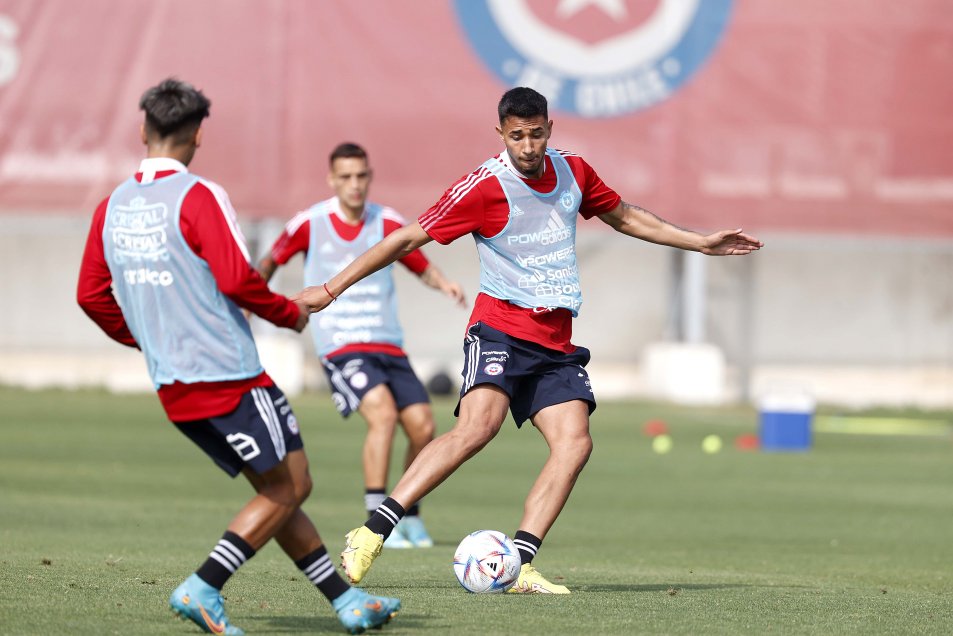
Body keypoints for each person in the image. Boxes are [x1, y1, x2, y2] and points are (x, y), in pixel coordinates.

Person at [294, 87, 764, 595]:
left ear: (549, 129)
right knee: (479, 428)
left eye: (536, 134)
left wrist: (700, 242)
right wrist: (330, 288)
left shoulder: (574, 172)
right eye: (516, 136)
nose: (527, 146)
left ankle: (517, 564)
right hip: (499, 329)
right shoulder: (483, 187)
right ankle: (372, 531)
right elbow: (406, 238)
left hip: (555, 341)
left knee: (575, 443)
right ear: (501, 134)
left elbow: (624, 216)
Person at [76, 78, 400, 635]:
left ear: (142, 130)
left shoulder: (113, 206)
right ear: (198, 135)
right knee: (290, 487)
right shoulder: (198, 196)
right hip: (229, 376)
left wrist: (144, 339)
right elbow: (236, 278)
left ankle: (347, 601)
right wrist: (288, 314)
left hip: (173, 385)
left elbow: (90, 294)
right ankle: (202, 587)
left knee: (273, 493)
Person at [257, 142, 465, 550]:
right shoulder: (309, 223)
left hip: (387, 343)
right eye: (346, 177)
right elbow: (269, 262)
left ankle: (410, 518)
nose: (355, 185)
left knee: (424, 426)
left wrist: (445, 285)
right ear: (332, 180)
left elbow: (417, 262)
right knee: (383, 415)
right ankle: (376, 522)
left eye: (361, 176)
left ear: (370, 177)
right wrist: (249, 301)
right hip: (341, 344)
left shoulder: (386, 221)